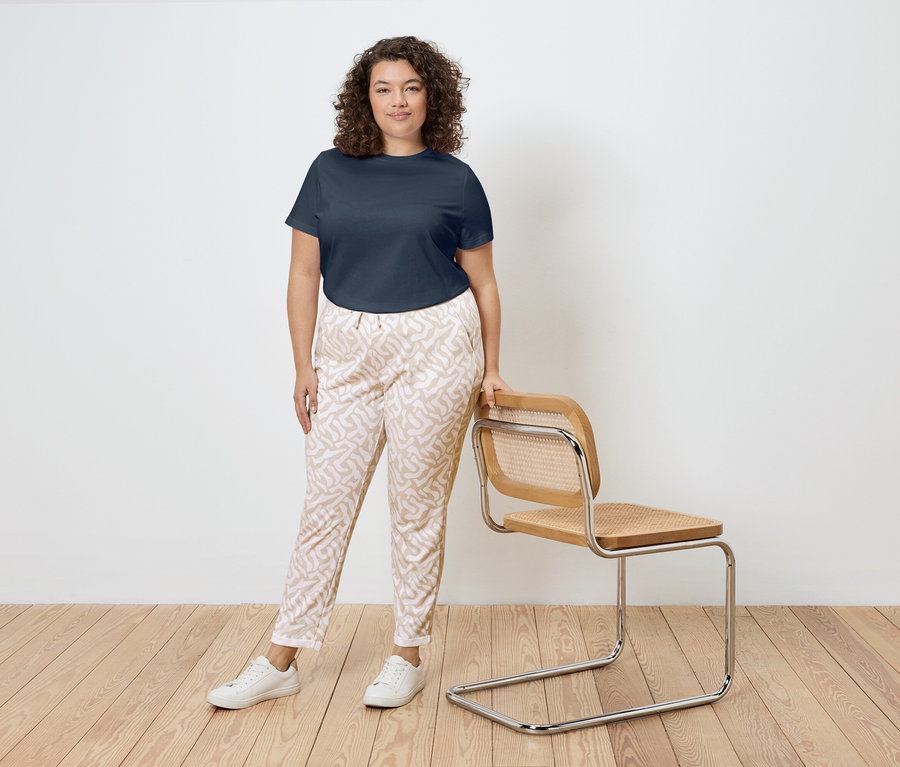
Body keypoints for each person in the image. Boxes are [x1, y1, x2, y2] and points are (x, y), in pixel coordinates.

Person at [207, 36, 508, 711]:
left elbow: (485, 283)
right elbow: (302, 274)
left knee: (416, 505)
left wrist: (491, 367)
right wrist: (303, 364)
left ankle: (407, 655)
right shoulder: (328, 170)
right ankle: (281, 658)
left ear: (432, 96)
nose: (398, 101)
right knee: (326, 503)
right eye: (384, 88)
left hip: (437, 346)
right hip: (345, 348)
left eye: (411, 87)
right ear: (364, 98)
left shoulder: (456, 180)